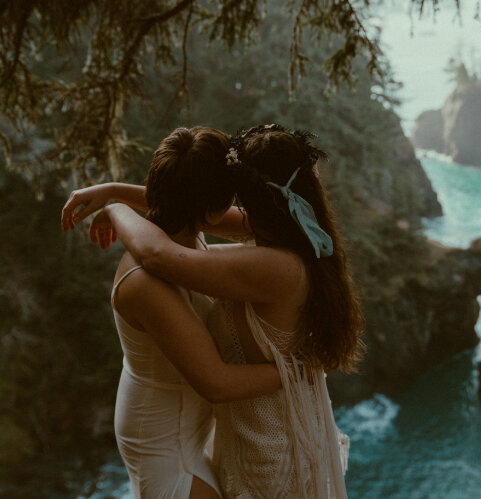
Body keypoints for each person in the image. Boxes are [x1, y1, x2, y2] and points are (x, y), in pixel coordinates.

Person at [71, 124, 364, 498]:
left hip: (204, 430)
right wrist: (114, 198)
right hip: (169, 438)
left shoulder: (253, 260)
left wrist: (115, 203)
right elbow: (167, 236)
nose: (240, 213)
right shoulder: (291, 234)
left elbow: (163, 242)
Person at [62, 126, 283, 499]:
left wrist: (115, 195)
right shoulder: (146, 281)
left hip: (186, 425)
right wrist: (296, 369)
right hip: (162, 444)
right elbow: (218, 383)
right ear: (213, 207)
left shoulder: (177, 229)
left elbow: (253, 224)